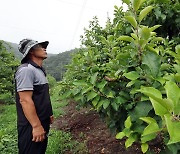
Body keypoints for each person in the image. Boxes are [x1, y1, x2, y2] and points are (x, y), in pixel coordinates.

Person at [15, 39, 54, 154]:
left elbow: (42, 95)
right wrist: (36, 126)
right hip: (30, 125)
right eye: (40, 47)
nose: (44, 48)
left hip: (42, 120)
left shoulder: (39, 70)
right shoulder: (26, 70)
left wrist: (48, 114)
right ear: (31, 51)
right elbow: (25, 100)